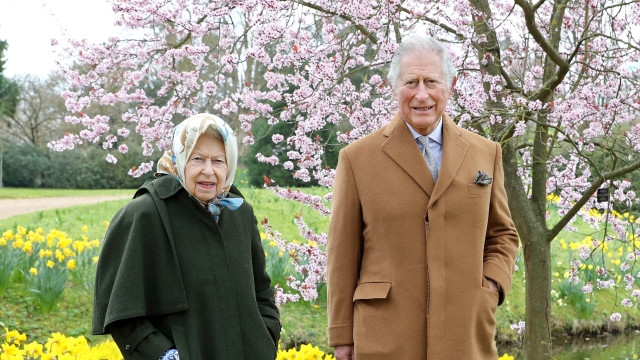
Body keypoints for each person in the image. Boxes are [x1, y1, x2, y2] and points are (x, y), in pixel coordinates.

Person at [326, 37, 519, 359]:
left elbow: (503, 234)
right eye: (410, 82)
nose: (421, 94)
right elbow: (342, 253)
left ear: (450, 85)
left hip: (466, 329)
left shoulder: (487, 153)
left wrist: (491, 285)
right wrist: (341, 334)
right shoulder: (356, 158)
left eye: (431, 81)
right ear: (393, 87)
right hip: (384, 334)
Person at [93, 113, 281, 360]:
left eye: (218, 160)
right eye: (197, 159)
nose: (208, 171)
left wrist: (267, 333)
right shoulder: (145, 213)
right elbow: (121, 310)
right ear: (179, 158)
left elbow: (261, 290)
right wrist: (163, 355)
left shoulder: (239, 212)